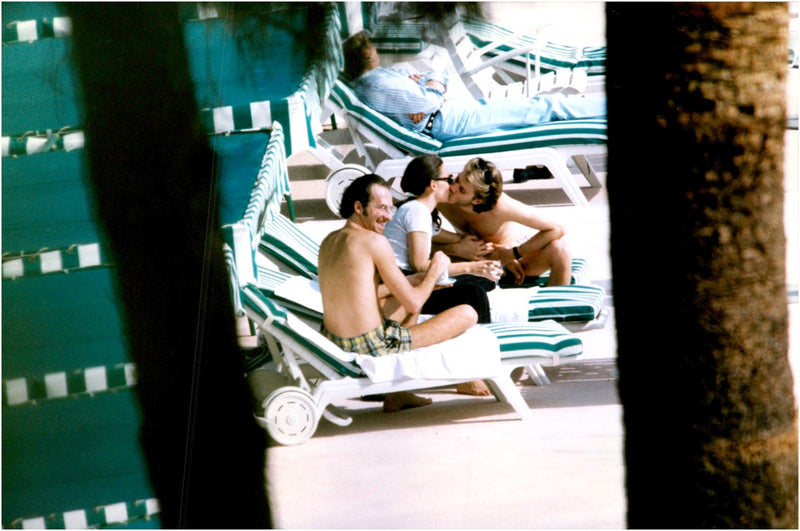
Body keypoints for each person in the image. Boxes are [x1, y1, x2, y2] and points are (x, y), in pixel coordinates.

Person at [318, 174, 483, 411]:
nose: (388, 215)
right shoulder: (374, 242)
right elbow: (415, 303)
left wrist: (417, 281)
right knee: (467, 313)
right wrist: (434, 270)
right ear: (358, 207)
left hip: (336, 340)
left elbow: (357, 292)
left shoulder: (329, 241)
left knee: (404, 295)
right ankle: (464, 377)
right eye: (381, 208)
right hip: (371, 346)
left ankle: (398, 394)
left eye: (390, 208)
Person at [342, 31, 606, 142]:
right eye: (371, 44)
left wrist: (426, 85)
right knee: (547, 105)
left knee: (541, 108)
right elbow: (430, 99)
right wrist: (430, 85)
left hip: (450, 114)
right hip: (447, 120)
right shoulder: (376, 82)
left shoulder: (379, 77)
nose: (375, 47)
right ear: (367, 55)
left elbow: (427, 87)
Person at [383, 154, 503, 325]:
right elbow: (419, 265)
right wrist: (471, 266)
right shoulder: (417, 212)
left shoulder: (418, 210)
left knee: (484, 280)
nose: (452, 185)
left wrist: (476, 248)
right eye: (448, 179)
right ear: (433, 185)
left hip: (410, 278)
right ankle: (485, 338)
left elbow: (451, 237)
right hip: (406, 283)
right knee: (475, 294)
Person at [437, 157, 573, 286]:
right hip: (468, 260)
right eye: (456, 180)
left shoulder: (501, 206)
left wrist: (513, 253)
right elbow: (419, 240)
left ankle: (556, 307)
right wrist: (457, 249)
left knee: (561, 250)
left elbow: (557, 229)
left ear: (477, 200)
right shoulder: (441, 198)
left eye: (462, 190)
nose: (453, 188)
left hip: (513, 261)